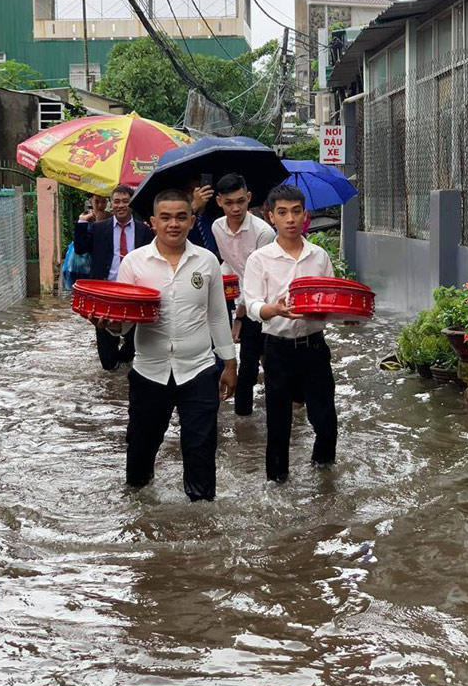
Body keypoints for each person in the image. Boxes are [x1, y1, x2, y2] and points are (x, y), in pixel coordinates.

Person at [92, 188, 237, 499]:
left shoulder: (207, 261)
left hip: (198, 369)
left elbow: (216, 315)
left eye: (181, 217)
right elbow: (125, 321)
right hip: (149, 370)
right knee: (141, 448)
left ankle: (202, 520)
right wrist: (110, 326)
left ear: (191, 220)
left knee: (200, 445)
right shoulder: (134, 264)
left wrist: (229, 362)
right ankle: (138, 511)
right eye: (166, 217)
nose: (174, 224)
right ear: (153, 222)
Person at [243, 184, 337, 482]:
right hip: (277, 349)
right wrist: (274, 309)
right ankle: (277, 482)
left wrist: (343, 315)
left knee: (325, 420)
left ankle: (324, 477)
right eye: (282, 213)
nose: (290, 219)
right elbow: (252, 304)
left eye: (296, 212)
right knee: (278, 423)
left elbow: (332, 296)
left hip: (314, 346)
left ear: (305, 215)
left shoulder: (319, 256)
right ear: (271, 217)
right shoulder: (260, 259)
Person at [211, 173, 275, 416]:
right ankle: (243, 420)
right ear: (219, 202)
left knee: (269, 360)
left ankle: (291, 402)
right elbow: (228, 263)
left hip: (265, 304)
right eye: (229, 203)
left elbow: (257, 278)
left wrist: (238, 316)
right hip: (241, 302)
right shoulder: (217, 227)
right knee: (247, 365)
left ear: (249, 198)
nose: (235, 208)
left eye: (240, 201)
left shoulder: (263, 232)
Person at [74, 184, 153, 371]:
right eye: (116, 201)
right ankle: (111, 382)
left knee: (135, 340)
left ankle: (124, 365)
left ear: (131, 203)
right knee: (106, 348)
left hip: (135, 293)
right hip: (105, 292)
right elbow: (80, 248)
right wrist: (82, 223)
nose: (120, 205)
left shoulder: (145, 230)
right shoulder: (100, 228)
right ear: (111, 204)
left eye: (125, 201)